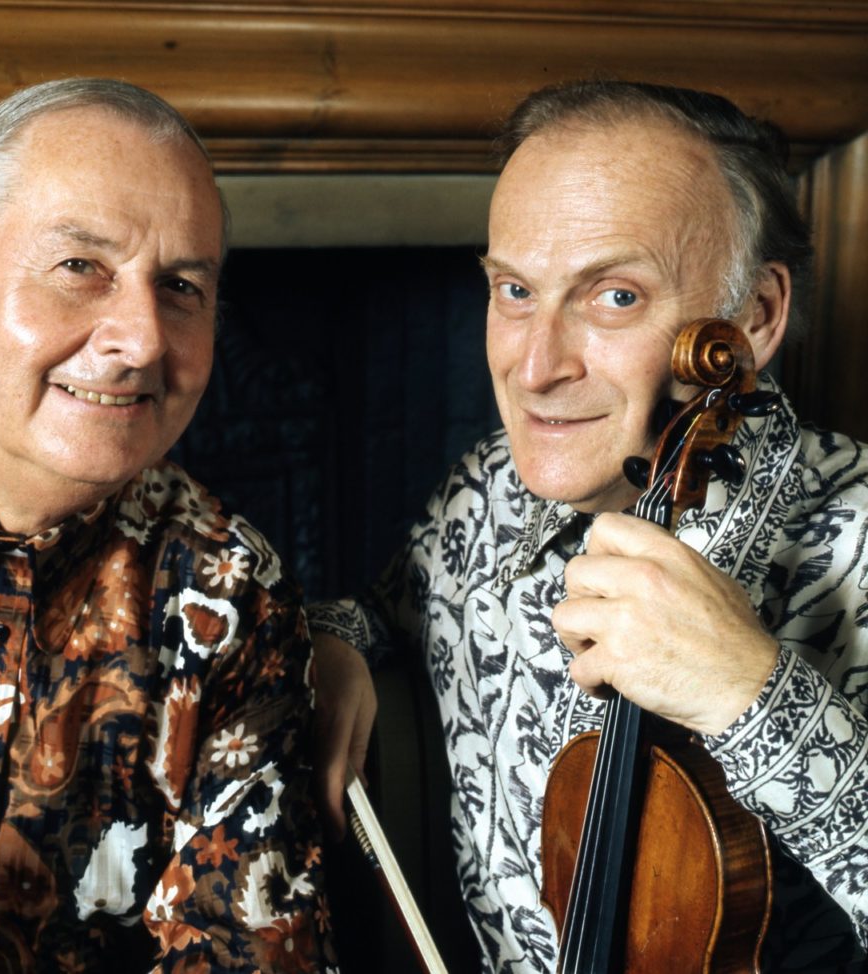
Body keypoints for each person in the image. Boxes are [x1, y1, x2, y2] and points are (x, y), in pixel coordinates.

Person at [311, 80, 867, 972]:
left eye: (614, 297)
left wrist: (753, 695)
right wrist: (336, 643)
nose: (534, 367)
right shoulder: (487, 490)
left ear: (756, 316)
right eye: (515, 290)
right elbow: (387, 607)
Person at [0, 78, 337, 973]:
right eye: (80, 267)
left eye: (180, 286)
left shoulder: (231, 596)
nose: (143, 339)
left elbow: (247, 953)